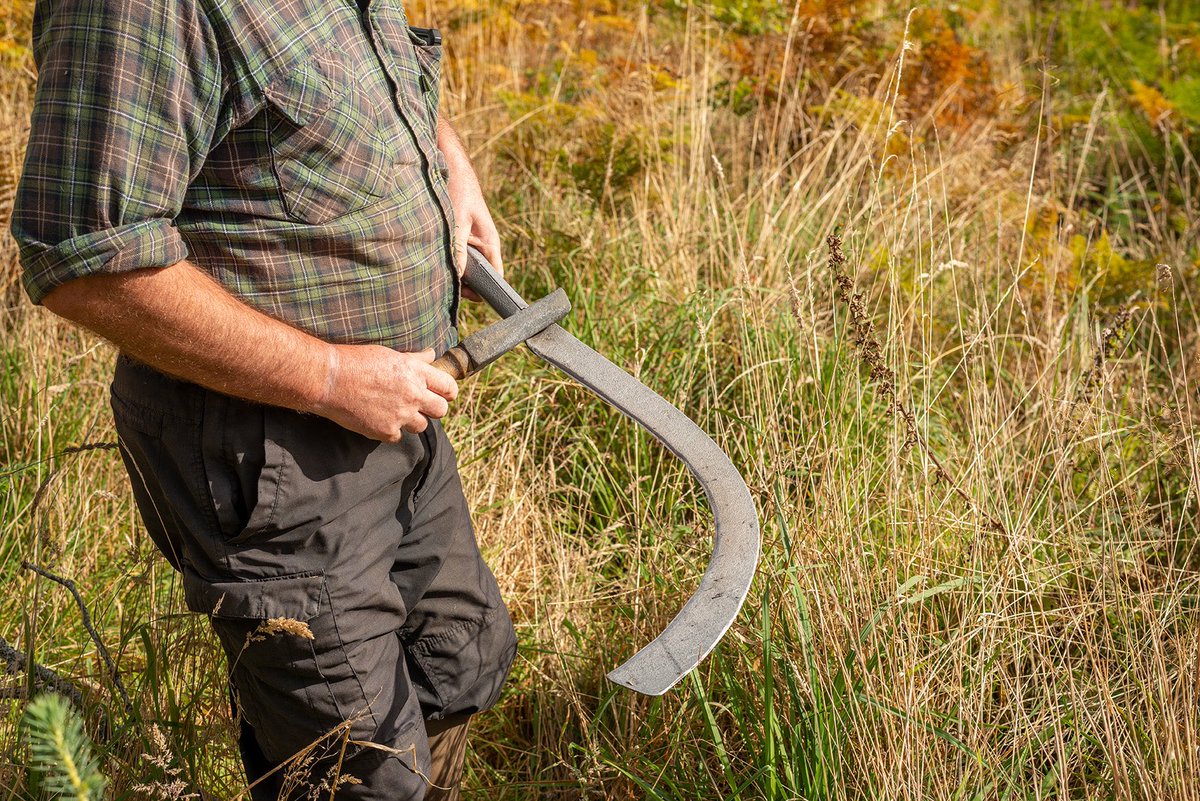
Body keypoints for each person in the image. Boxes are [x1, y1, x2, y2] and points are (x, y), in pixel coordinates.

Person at [11, 0, 517, 797]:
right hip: (269, 453)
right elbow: (85, 260)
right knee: (358, 767)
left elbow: (341, 86)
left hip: (397, 416)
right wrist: (330, 378)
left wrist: (444, 155)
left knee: (460, 662)